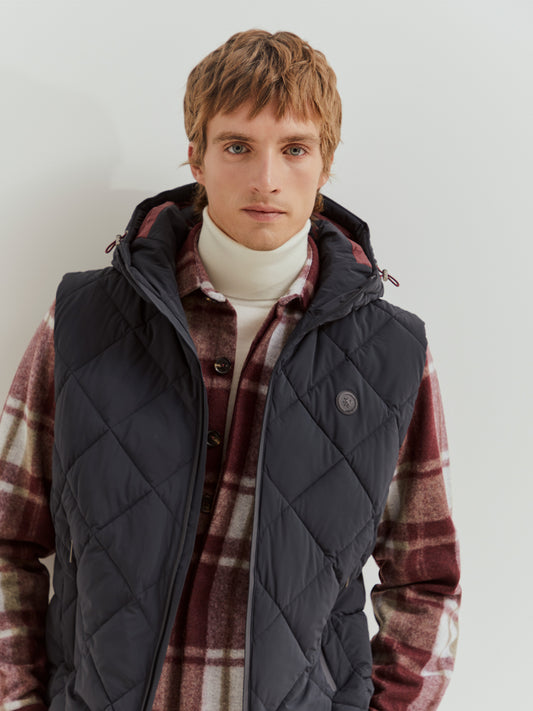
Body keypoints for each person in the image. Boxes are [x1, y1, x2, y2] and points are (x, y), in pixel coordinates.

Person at [0, 29, 461, 711]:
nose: (266, 178)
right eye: (238, 146)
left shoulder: (391, 353)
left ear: (325, 164)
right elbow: (8, 539)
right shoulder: (83, 319)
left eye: (294, 149)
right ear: (197, 156)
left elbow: (426, 579)